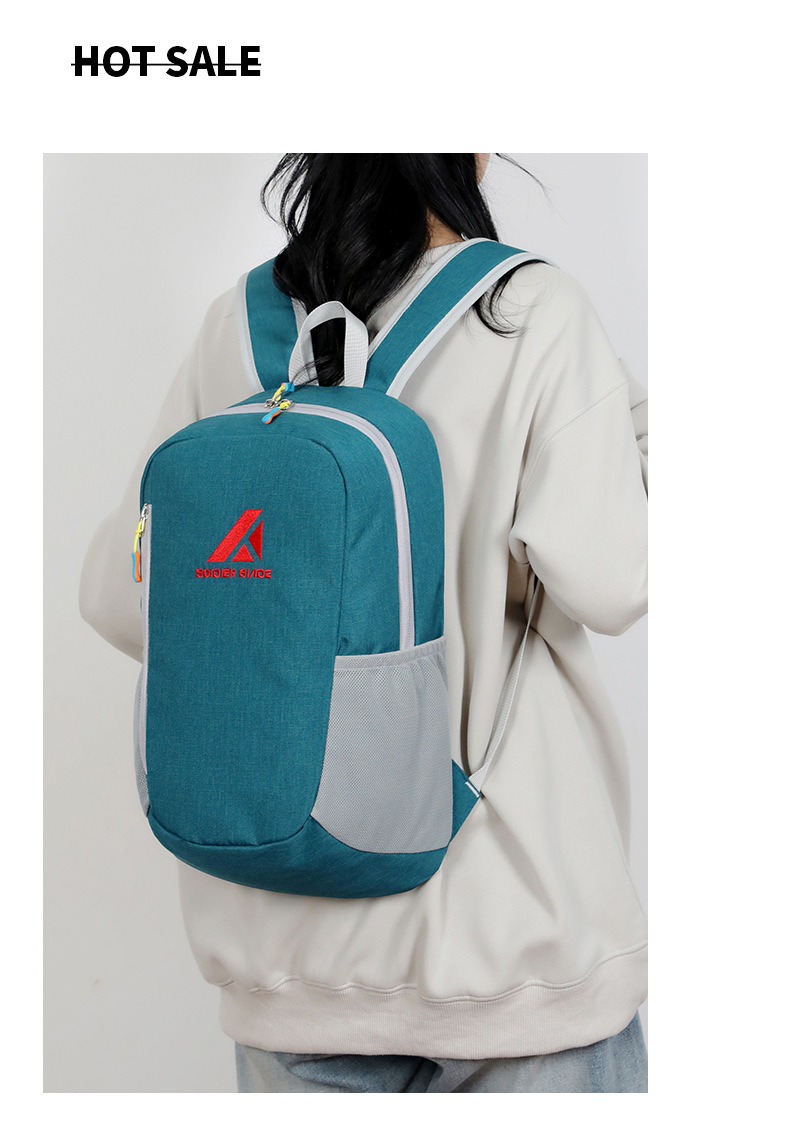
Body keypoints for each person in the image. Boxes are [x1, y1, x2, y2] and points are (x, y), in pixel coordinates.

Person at [80, 153, 648, 1093]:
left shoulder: (239, 326)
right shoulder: (524, 310)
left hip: (285, 967)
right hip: (508, 957)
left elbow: (116, 592)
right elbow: (613, 578)